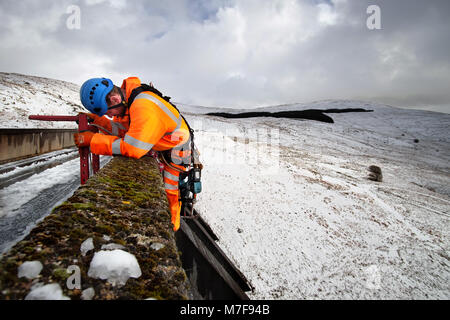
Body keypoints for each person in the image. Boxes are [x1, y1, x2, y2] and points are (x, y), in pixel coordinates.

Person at [74, 76, 200, 231]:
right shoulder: (131, 101)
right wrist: (99, 122)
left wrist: (93, 140)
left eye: (108, 112)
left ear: (114, 99)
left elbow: (133, 147)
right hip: (166, 142)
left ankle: (172, 226)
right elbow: (126, 130)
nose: (110, 116)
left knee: (170, 189)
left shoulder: (143, 106)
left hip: (177, 150)